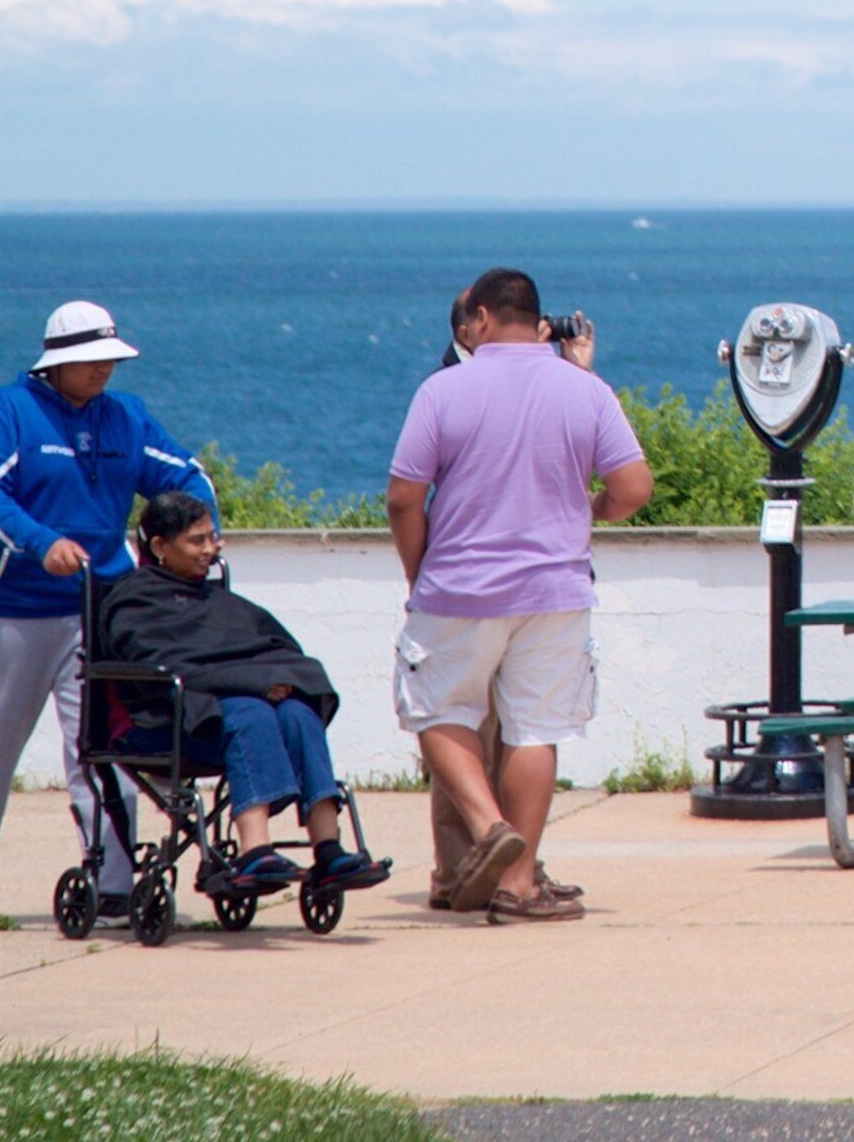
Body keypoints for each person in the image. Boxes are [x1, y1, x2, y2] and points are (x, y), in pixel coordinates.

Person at [0, 300, 217, 926]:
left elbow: (189, 478)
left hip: (102, 610)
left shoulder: (126, 419)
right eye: (92, 361)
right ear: (57, 363)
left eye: (111, 360)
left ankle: (114, 884)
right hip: (12, 611)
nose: (104, 371)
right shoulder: (8, 412)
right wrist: (42, 542)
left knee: (103, 747)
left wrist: (200, 534)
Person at [387, 267, 653, 925]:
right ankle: (521, 882)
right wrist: (588, 508)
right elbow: (635, 488)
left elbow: (403, 497)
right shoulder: (584, 390)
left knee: (439, 710)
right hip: (556, 590)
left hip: (459, 586)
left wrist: (418, 572)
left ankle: (485, 824)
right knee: (536, 730)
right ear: (537, 319)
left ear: (477, 319)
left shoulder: (444, 389)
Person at [96, 492, 392, 894]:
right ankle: (255, 851)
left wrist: (281, 681)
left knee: (297, 711)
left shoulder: (219, 601)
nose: (210, 549)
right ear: (160, 547)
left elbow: (275, 649)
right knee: (248, 709)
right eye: (196, 541)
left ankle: (328, 849)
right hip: (166, 722)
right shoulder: (133, 603)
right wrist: (255, 683)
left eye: (212, 538)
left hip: (222, 716)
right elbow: (170, 669)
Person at [419, 291, 597, 913]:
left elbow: (403, 497)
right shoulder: (454, 381)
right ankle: (461, 871)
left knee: (479, 723)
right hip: (517, 589)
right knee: (482, 727)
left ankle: (512, 867)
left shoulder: (503, 383)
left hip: (466, 588)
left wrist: (572, 373)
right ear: (472, 326)